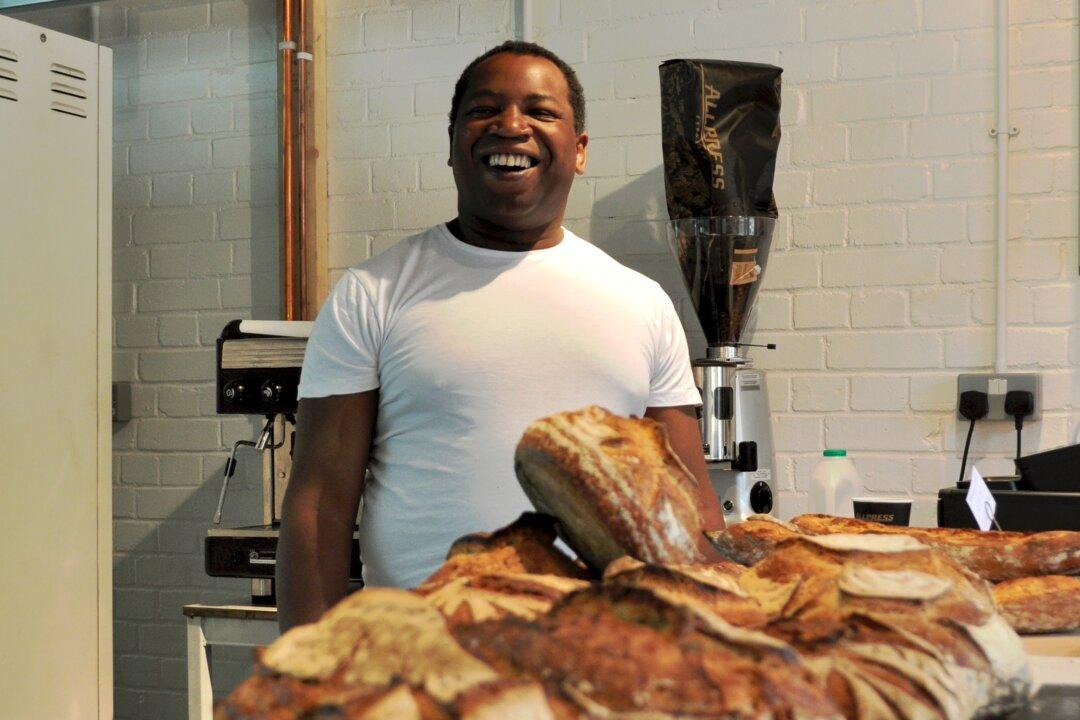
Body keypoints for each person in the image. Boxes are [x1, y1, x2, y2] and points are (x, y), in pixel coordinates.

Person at [276, 41, 724, 632]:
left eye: (540, 111)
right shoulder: (373, 293)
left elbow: (691, 509)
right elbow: (320, 504)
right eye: (485, 109)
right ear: (451, 144)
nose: (511, 125)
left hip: (602, 653)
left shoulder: (642, 303)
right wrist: (307, 666)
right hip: (424, 656)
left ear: (580, 150)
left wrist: (724, 641)